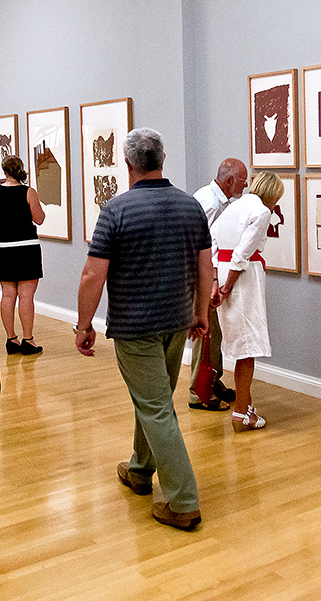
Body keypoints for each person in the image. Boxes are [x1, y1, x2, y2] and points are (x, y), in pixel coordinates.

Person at [75, 128, 212, 531]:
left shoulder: (116, 210)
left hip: (136, 328)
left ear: (128, 164)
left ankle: (183, 501)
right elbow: (206, 267)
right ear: (163, 160)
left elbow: (91, 275)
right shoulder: (191, 207)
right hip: (177, 321)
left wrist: (83, 325)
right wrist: (200, 311)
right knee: (154, 400)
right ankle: (139, 470)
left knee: (155, 407)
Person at [213, 171, 284, 432]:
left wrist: (214, 281)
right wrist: (228, 285)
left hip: (222, 269)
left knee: (236, 341)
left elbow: (212, 241)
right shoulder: (261, 211)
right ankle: (241, 413)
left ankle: (245, 406)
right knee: (247, 345)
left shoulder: (234, 207)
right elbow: (243, 253)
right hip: (242, 277)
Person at [189, 158, 247, 411]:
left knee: (215, 333)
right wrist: (210, 282)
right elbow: (204, 247)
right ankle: (198, 393)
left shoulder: (215, 199)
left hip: (209, 276)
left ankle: (213, 382)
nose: (245, 188)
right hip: (202, 277)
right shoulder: (211, 204)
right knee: (206, 335)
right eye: (243, 182)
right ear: (230, 180)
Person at [0, 155, 45, 355]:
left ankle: (11, 339)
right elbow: (39, 219)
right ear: (21, 169)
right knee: (26, 296)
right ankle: (28, 340)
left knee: (7, 295)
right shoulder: (29, 192)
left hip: (4, 246)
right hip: (27, 245)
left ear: (4, 171)